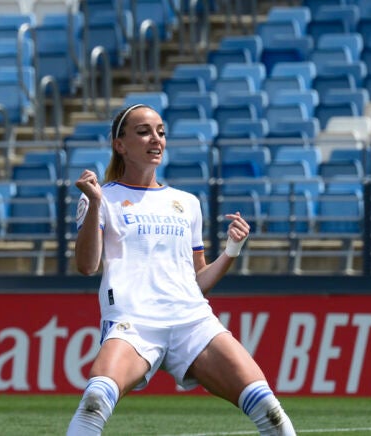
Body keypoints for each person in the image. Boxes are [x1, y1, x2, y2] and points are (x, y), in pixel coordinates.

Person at [66, 104, 296, 436]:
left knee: (268, 409)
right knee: (94, 402)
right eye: (144, 132)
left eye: (160, 132)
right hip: (133, 322)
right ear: (120, 145)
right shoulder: (100, 198)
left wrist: (232, 250)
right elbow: (87, 266)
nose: (155, 139)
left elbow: (198, 282)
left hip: (192, 321)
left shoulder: (187, 203)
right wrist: (96, 203)